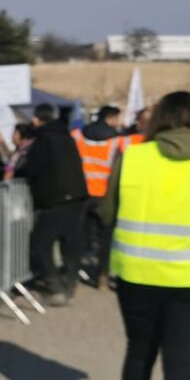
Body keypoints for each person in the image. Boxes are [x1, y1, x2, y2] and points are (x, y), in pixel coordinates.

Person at [101, 90, 190, 380]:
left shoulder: (133, 157)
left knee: (139, 350)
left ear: (158, 118)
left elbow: (107, 212)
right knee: (181, 364)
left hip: (137, 273)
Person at [16, 103, 88, 305]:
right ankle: (70, 281)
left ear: (37, 120)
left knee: (40, 243)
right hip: (76, 197)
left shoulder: (43, 141)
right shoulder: (66, 137)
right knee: (70, 242)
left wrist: (20, 174)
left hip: (55, 198)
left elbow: (33, 169)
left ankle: (54, 284)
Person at [73, 105, 138, 287]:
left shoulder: (78, 135)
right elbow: (142, 142)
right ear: (110, 119)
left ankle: (74, 272)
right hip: (106, 195)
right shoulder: (118, 141)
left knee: (77, 235)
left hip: (83, 193)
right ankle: (102, 273)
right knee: (105, 238)